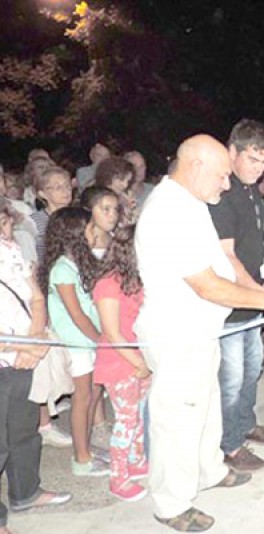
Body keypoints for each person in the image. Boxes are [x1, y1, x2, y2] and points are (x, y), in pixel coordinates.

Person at [135, 134, 264, 531]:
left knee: (205, 408)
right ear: (196, 166)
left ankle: (208, 470)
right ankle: (171, 502)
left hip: (200, 329)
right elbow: (206, 285)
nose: (227, 184)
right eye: (222, 175)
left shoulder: (190, 202)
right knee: (178, 419)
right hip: (178, 333)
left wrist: (260, 294)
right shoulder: (169, 211)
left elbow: (221, 263)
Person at [208, 119, 264, 475]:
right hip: (230, 306)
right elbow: (227, 256)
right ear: (232, 151)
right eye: (252, 159)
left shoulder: (253, 190)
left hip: (250, 303)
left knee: (252, 369)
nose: (258, 168)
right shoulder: (223, 193)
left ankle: (245, 424)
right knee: (231, 378)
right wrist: (261, 295)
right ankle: (229, 445)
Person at [0, 199, 72, 533]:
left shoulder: (12, 252)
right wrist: (23, 347)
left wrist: (36, 341)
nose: (4, 231)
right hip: (10, 356)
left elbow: (36, 297)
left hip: (23, 357)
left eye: (4, 222)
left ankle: (26, 492)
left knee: (24, 431)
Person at [39, 207, 108, 477]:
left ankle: (86, 447)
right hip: (77, 344)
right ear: (74, 235)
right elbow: (76, 315)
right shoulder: (62, 270)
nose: (95, 232)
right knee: (83, 398)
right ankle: (81, 459)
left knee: (94, 394)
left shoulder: (78, 264)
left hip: (89, 341)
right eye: (90, 228)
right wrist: (101, 340)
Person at [88, 225, 151, 502]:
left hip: (139, 356)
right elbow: (112, 333)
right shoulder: (108, 284)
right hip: (119, 360)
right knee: (125, 420)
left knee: (137, 415)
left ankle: (136, 462)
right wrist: (137, 362)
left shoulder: (133, 278)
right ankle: (118, 477)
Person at [80, 186, 120, 258]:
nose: (113, 215)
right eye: (106, 209)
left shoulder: (117, 239)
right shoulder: (81, 244)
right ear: (88, 210)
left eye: (116, 209)